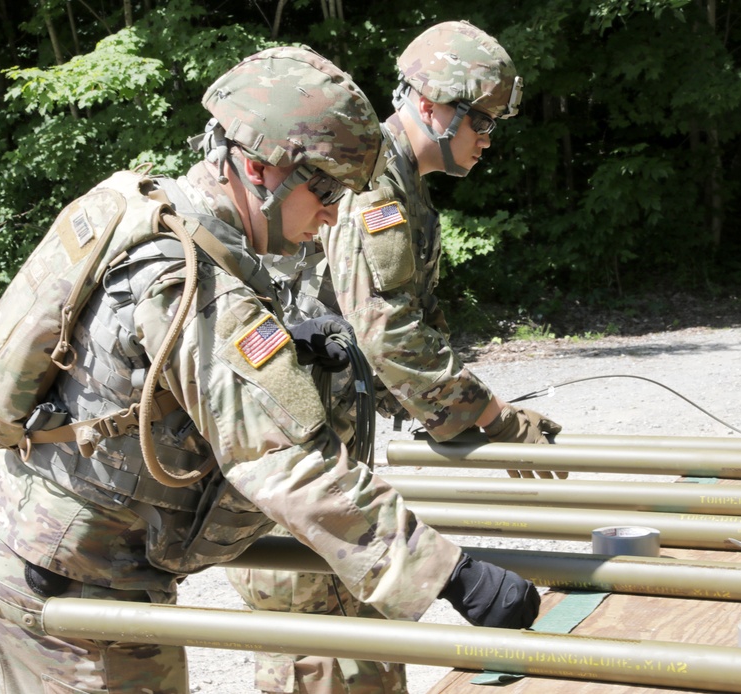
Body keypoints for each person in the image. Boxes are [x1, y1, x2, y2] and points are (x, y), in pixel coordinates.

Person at [0, 45, 540, 694]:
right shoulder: (197, 283)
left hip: (34, 553)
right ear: (262, 170)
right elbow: (284, 462)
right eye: (323, 191)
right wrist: (453, 576)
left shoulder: (175, 222)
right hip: (70, 594)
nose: (331, 215)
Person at [226, 21, 564, 693]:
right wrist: (492, 415)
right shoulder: (374, 184)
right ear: (437, 106)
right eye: (483, 122)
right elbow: (389, 336)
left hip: (333, 462)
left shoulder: (397, 182)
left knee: (370, 663)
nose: (487, 141)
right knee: (319, 666)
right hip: (299, 470)